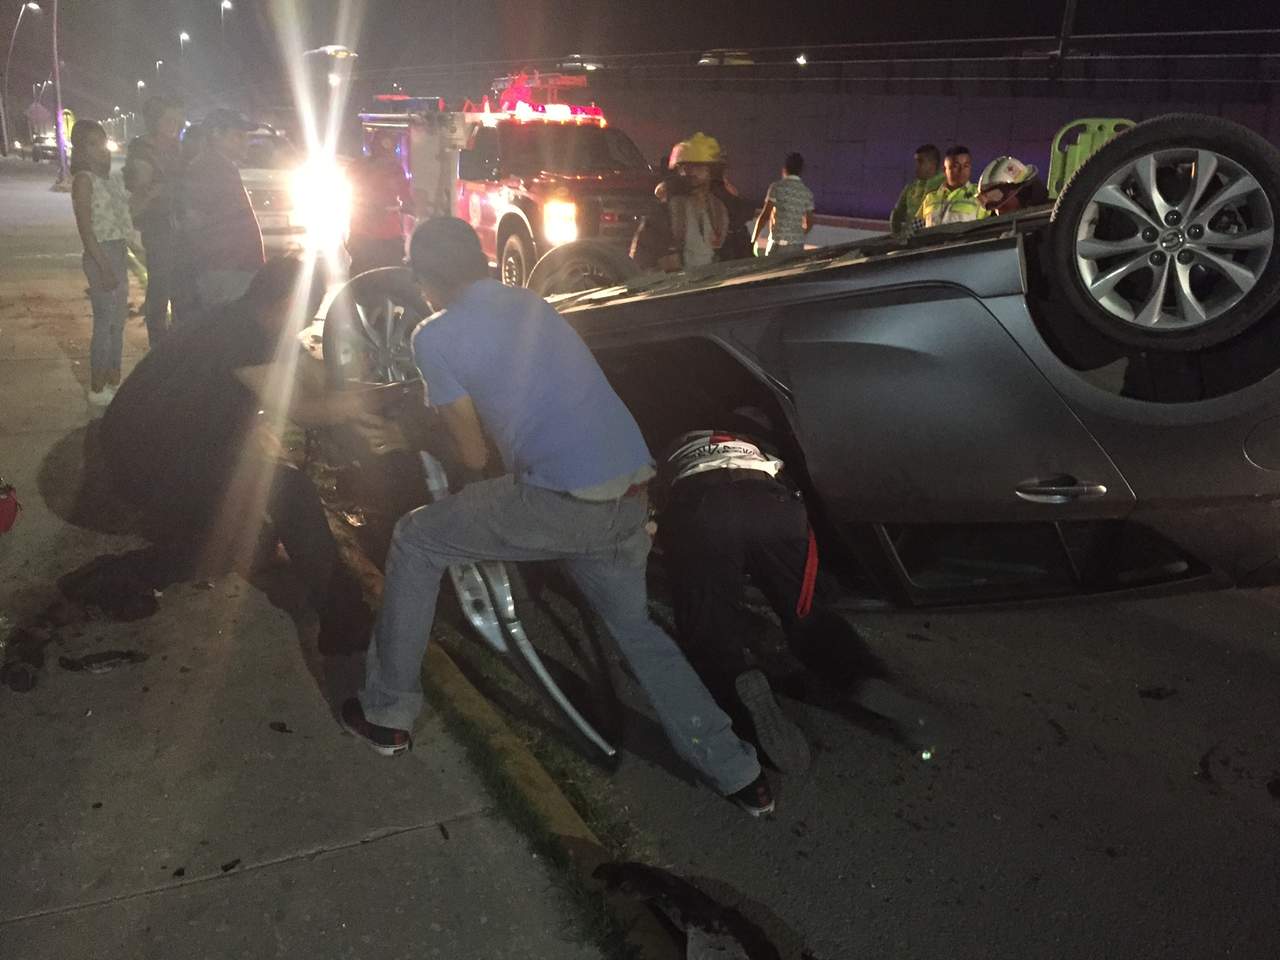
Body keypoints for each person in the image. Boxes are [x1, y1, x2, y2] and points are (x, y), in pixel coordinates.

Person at [341, 217, 773, 817]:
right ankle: (738, 772)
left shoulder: (433, 335)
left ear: (423, 280)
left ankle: (386, 713)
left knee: (417, 539)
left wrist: (414, 429)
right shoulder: (531, 305)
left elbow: (471, 455)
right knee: (638, 632)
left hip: (564, 502)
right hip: (632, 489)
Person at [100, 257, 397, 647]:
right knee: (292, 494)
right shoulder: (243, 338)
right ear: (288, 304)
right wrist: (377, 401)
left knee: (252, 533)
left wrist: (369, 385)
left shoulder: (243, 318)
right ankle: (345, 621)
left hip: (156, 444)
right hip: (146, 462)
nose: (306, 325)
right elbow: (305, 411)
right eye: (308, 313)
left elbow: (315, 379)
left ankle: (181, 544)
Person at [655, 427, 939, 771]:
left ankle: (739, 689)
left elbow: (654, 515)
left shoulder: (668, 456)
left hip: (703, 509)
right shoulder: (752, 445)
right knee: (807, 614)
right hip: (774, 506)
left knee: (709, 630)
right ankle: (865, 678)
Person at [70, 119, 133, 406]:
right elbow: (86, 230)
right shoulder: (84, 181)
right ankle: (97, 386)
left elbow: (127, 214)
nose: (100, 149)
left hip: (118, 250)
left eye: (102, 142)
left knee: (118, 323)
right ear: (81, 150)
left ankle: (113, 379)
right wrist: (104, 267)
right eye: (92, 144)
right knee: (105, 324)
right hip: (100, 255)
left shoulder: (111, 179)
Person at [179, 108, 265, 315]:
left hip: (231, 268)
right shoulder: (209, 168)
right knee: (230, 325)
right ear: (216, 134)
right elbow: (195, 220)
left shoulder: (220, 166)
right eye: (238, 136)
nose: (245, 142)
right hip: (226, 271)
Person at [123, 95, 184, 346]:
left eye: (179, 120)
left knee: (179, 285)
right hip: (158, 226)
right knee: (160, 286)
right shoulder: (143, 150)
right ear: (155, 120)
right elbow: (139, 187)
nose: (176, 126)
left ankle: (178, 340)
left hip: (179, 224)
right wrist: (155, 189)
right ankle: (158, 346)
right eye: (170, 120)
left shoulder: (176, 147)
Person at [347, 131, 410, 276]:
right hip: (387, 236)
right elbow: (406, 199)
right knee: (392, 276)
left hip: (361, 234)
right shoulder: (395, 170)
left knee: (362, 278)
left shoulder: (356, 166)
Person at [666, 133, 729, 269]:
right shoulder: (667, 208)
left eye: (698, 167)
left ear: (711, 172)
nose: (690, 173)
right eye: (685, 168)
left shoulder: (718, 208)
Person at [913, 145, 990, 231]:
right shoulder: (930, 198)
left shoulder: (981, 194)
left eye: (966, 166)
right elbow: (915, 230)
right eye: (956, 166)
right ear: (944, 170)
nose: (961, 170)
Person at [751, 152, 815, 256]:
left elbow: (765, 215)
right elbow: (810, 222)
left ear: (784, 169)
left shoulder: (777, 187)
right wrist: (798, 235)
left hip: (777, 242)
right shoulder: (807, 193)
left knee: (772, 266)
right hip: (797, 246)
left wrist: (753, 240)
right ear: (801, 171)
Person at [889, 144, 944, 237]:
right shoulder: (911, 187)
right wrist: (897, 234)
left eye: (920, 162)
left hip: (934, 238)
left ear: (932, 164)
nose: (916, 166)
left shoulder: (945, 186)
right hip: (910, 238)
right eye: (916, 162)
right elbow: (897, 213)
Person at [976, 155, 1051, 216]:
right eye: (995, 208)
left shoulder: (1053, 218)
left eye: (996, 196)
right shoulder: (996, 227)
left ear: (1022, 193)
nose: (998, 211)